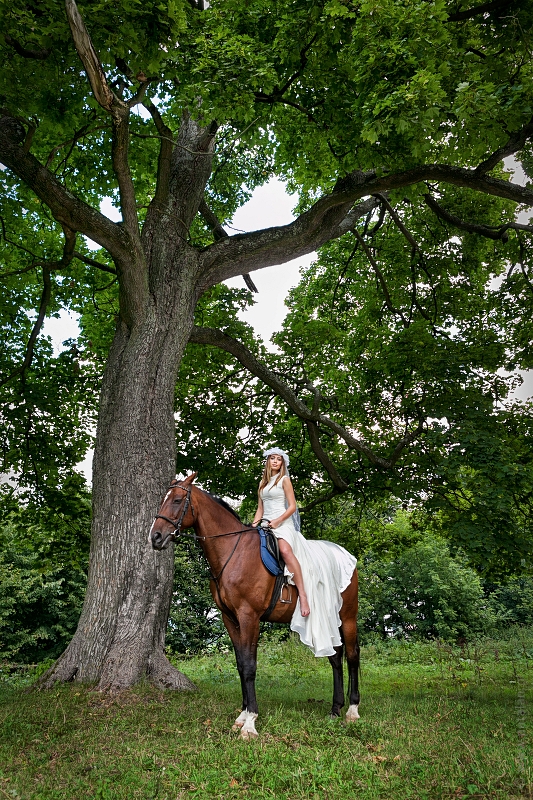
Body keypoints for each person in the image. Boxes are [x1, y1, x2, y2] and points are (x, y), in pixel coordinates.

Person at [252, 447, 358, 658]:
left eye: (278, 459)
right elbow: (260, 509)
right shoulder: (263, 484)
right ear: (267, 461)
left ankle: (304, 596)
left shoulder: (284, 481)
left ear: (282, 463)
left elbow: (292, 507)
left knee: (285, 550)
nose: (275, 462)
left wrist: (278, 521)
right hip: (265, 523)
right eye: (272, 459)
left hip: (283, 525)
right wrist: (254, 525)